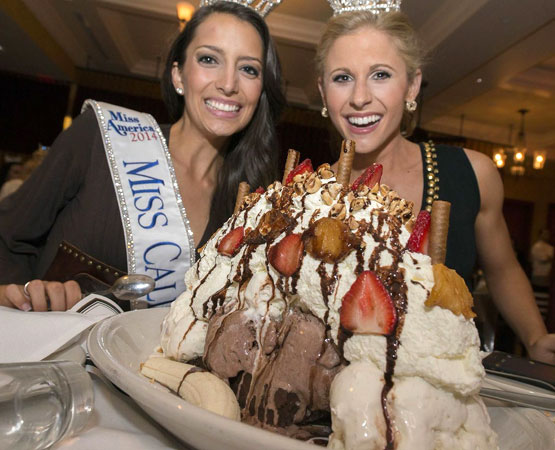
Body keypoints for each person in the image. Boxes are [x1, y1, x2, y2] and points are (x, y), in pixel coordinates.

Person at [0, 1, 285, 312]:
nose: (229, 84)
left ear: (261, 90)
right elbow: (8, 237)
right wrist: (21, 295)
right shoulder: (101, 137)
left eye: (248, 69)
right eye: (208, 59)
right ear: (178, 75)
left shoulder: (247, 207)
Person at [315, 9, 555, 364]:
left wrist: (535, 338)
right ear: (322, 92)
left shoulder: (472, 174)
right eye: (342, 78)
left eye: (380, 74)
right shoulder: (306, 197)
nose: (360, 97)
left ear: (412, 85)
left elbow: (502, 269)